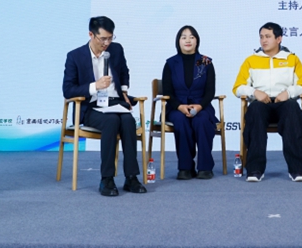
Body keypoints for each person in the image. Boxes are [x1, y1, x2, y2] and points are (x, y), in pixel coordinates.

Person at [62, 16, 147, 196]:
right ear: (91, 35)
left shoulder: (116, 49)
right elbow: (68, 90)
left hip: (115, 102)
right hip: (91, 106)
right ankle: (107, 179)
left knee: (128, 121)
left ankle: (131, 177)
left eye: (110, 38)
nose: (107, 43)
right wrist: (95, 86)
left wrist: (124, 91)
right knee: (111, 121)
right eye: (103, 39)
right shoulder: (75, 56)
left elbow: (124, 71)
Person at [232, 22, 302, 182]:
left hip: (284, 103)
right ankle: (255, 170)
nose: (263, 40)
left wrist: (288, 93)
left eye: (268, 36)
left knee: (292, 108)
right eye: (261, 37)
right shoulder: (251, 60)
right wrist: (255, 92)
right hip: (261, 103)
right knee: (255, 110)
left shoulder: (292, 59)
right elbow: (238, 88)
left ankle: (297, 169)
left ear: (279, 39)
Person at [161, 25, 217, 180]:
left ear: (197, 41)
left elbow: (210, 91)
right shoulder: (171, 63)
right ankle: (185, 167)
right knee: (180, 120)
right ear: (178, 41)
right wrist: (179, 106)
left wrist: (199, 106)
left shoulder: (205, 62)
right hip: (176, 107)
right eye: (184, 37)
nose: (188, 40)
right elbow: (167, 91)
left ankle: (205, 167)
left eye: (192, 37)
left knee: (202, 120)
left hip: (201, 106)